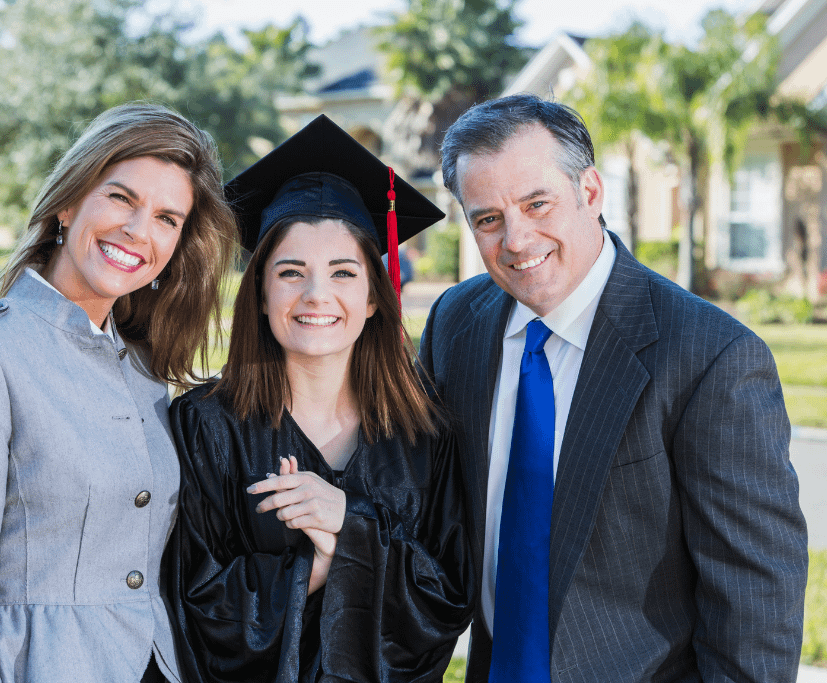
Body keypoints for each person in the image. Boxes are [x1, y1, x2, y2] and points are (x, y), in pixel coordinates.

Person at [420, 93, 808, 682]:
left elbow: (754, 609)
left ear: (591, 192)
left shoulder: (710, 358)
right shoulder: (457, 324)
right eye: (489, 219)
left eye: (537, 203)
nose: (517, 240)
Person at [0, 103, 237, 683]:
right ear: (66, 203)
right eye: (121, 198)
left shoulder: (143, 367)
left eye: (167, 218)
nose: (139, 231)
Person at [165, 115, 475, 683]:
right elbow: (192, 603)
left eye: (342, 272)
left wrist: (345, 524)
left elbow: (449, 599)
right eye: (291, 272)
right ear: (259, 293)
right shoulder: (203, 426)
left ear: (375, 297)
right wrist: (330, 556)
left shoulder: (425, 434)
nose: (317, 295)